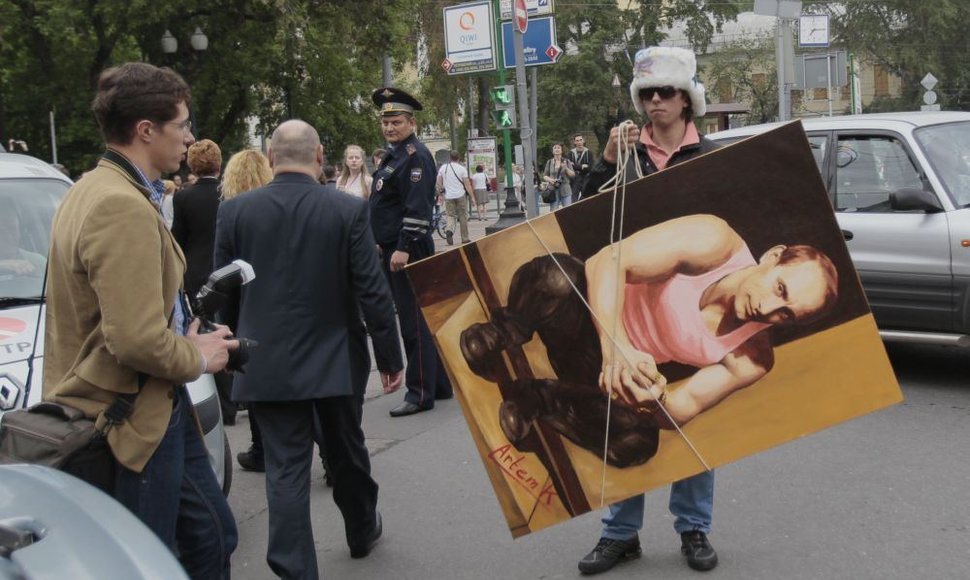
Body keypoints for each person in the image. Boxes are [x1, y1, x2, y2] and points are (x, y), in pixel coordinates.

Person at [42, 62, 238, 579]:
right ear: (145, 130)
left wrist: (185, 336)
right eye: (182, 124)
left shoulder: (92, 187)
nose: (190, 136)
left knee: (213, 535)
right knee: (152, 559)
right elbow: (132, 338)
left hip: (148, 408)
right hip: (130, 419)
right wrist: (195, 357)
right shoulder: (117, 204)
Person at [214, 120, 404, 578]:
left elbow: (222, 290)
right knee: (346, 450)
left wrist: (231, 344)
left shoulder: (236, 211)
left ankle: (294, 567)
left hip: (263, 358)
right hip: (336, 356)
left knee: (284, 467)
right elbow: (371, 288)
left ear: (272, 158)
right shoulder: (345, 210)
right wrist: (390, 355)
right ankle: (361, 528)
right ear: (320, 156)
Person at [369, 87, 453, 416]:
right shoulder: (396, 154)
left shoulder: (415, 156)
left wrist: (402, 248)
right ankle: (440, 384)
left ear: (412, 122)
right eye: (386, 122)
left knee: (413, 322)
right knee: (420, 318)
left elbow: (417, 208)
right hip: (394, 246)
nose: (390, 128)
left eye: (396, 122)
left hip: (409, 248)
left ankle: (419, 393)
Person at [171, 139, 236, 426]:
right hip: (228, 268)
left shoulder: (183, 197)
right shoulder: (229, 194)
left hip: (198, 273)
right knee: (232, 326)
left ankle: (226, 402)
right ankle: (240, 391)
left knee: (209, 331)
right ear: (219, 163)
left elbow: (179, 239)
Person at [436, 150, 475, 245]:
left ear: (450, 157)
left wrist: (440, 193)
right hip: (460, 195)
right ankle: (465, 238)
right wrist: (472, 197)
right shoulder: (462, 169)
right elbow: (467, 185)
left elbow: (438, 181)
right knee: (463, 216)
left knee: (450, 215)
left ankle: (449, 230)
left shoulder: (443, 168)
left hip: (449, 196)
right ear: (459, 158)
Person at [0, 211, 45, 278]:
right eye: (1, 231)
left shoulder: (39, 261)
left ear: (20, 231)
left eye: (12, 229)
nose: (8, 236)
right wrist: (3, 265)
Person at [542, 143, 576, 211]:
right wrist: (550, 180)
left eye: (558, 148)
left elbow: (573, 175)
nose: (557, 149)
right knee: (554, 211)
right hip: (553, 190)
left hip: (565, 189)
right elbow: (545, 176)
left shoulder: (567, 161)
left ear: (561, 151)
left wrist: (566, 168)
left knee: (568, 211)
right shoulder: (549, 162)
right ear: (552, 151)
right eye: (555, 148)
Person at [567, 134, 594, 200]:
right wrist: (582, 166)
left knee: (586, 199)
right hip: (574, 179)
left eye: (580, 140)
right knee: (573, 199)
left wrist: (575, 166)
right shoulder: (571, 153)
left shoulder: (589, 153)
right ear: (574, 142)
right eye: (577, 140)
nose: (579, 142)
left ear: (583, 141)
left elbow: (589, 168)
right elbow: (569, 166)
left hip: (585, 178)